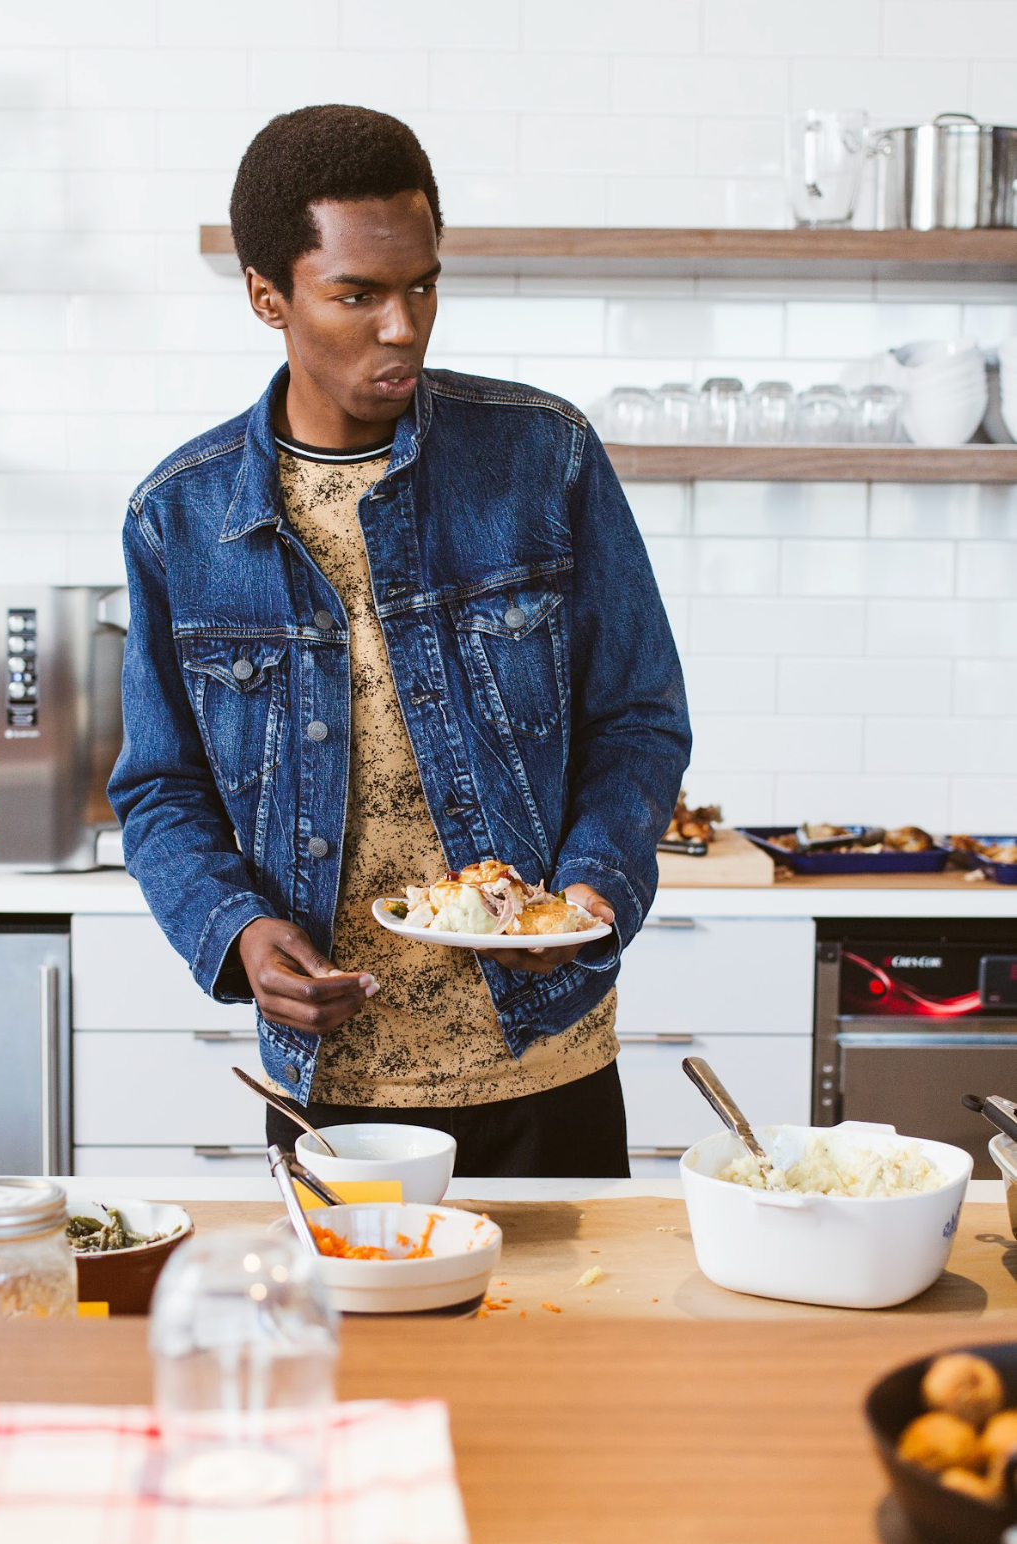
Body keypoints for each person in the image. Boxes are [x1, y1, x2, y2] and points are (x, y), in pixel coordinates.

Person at [108, 104, 691, 1177]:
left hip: (545, 1056)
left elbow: (638, 717)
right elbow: (158, 788)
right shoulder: (178, 520)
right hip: (332, 1087)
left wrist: (597, 883)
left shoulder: (542, 457)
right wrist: (234, 928)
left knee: (570, 1343)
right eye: (359, 294)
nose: (404, 326)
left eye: (421, 283)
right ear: (267, 296)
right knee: (351, 1350)